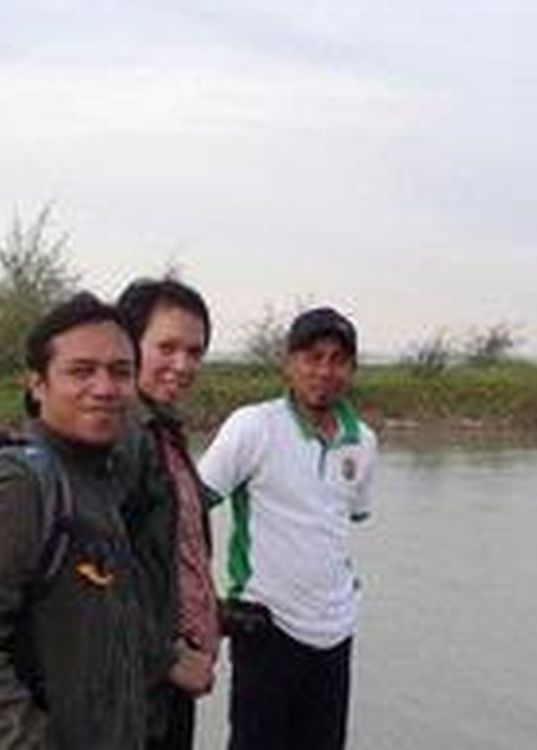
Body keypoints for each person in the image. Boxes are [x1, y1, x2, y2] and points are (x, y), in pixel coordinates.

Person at [0, 292, 148, 749]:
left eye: (120, 371)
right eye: (81, 371)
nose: (104, 387)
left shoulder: (99, 471)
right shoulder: (17, 485)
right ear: (38, 384)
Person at [198, 306, 378, 750]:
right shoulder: (253, 426)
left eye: (338, 359)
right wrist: (200, 600)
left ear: (352, 369)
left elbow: (341, 520)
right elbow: (190, 506)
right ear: (288, 362)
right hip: (266, 625)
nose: (324, 370)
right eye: (312, 356)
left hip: (336, 627)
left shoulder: (364, 441)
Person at [115, 277, 219, 750]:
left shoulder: (161, 431)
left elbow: (162, 554)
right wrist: (170, 657)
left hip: (165, 685)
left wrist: (218, 615)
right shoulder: (118, 436)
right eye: (167, 347)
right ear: (128, 344)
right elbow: (86, 578)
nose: (182, 365)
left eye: (195, 352)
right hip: (133, 689)